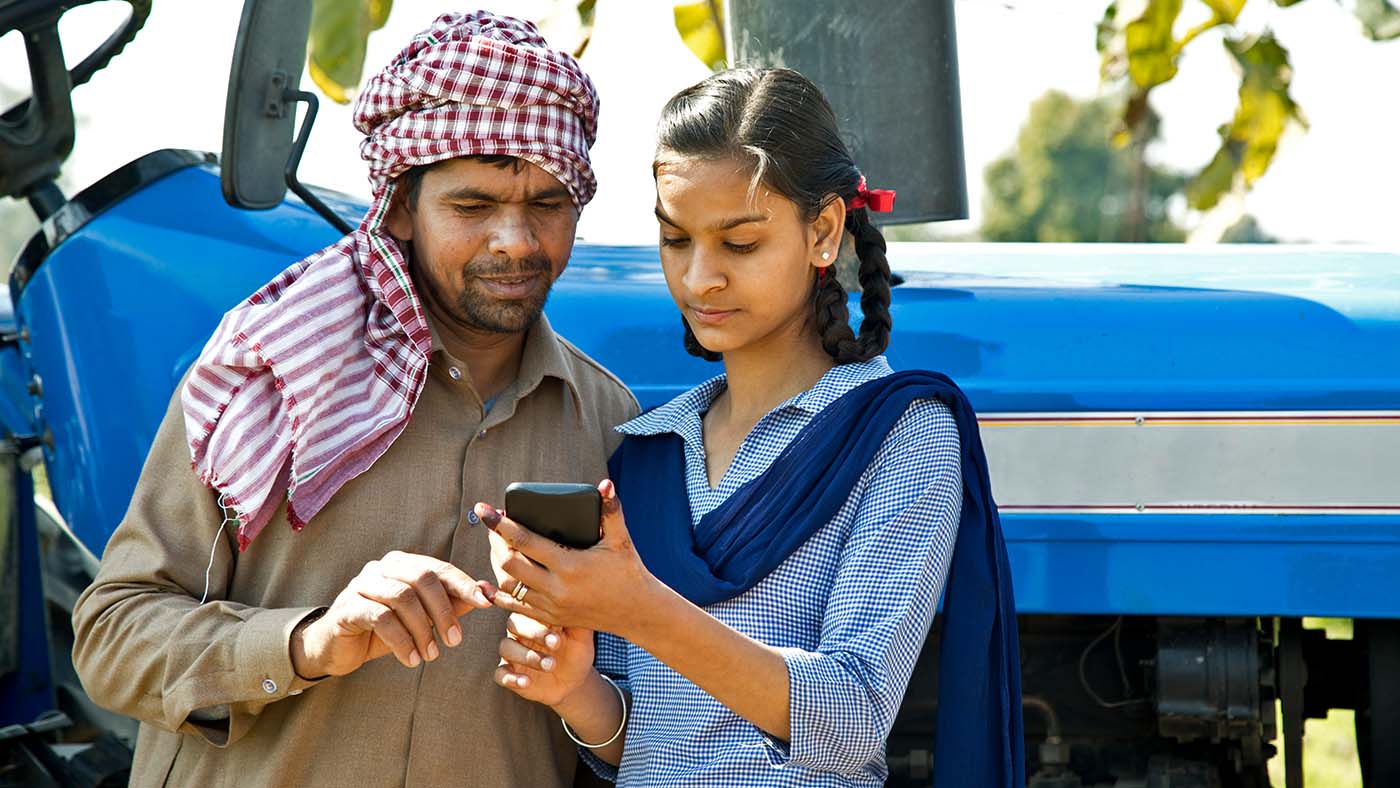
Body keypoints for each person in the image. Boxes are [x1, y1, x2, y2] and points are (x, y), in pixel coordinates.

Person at [69, 12, 636, 788]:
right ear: (401, 207)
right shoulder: (273, 369)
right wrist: (307, 642)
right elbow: (112, 635)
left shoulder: (611, 421)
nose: (517, 241)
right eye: (473, 207)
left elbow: (649, 718)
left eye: (548, 203)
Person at [475, 68, 1025, 786]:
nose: (700, 278)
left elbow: (851, 719)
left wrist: (641, 610)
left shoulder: (898, 431)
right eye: (676, 241)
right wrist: (576, 690)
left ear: (823, 230)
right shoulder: (650, 451)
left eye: (739, 245)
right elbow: (643, 743)